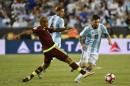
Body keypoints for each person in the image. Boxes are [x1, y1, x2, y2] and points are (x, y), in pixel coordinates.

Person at [15, 16, 89, 82]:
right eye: (46, 21)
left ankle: (29, 77)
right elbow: (29, 32)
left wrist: (65, 28)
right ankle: (84, 73)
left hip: (47, 51)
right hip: (52, 48)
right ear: (42, 22)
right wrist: (19, 35)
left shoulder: (46, 29)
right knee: (68, 59)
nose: (47, 23)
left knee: (45, 66)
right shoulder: (39, 28)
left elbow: (56, 30)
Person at [74, 15, 113, 83]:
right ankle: (74, 64)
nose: (97, 24)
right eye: (95, 22)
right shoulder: (87, 29)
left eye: (98, 22)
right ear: (91, 21)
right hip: (87, 48)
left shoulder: (102, 26)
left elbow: (107, 34)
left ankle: (77, 79)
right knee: (84, 65)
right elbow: (80, 36)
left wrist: (109, 40)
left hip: (95, 50)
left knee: (90, 67)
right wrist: (82, 44)